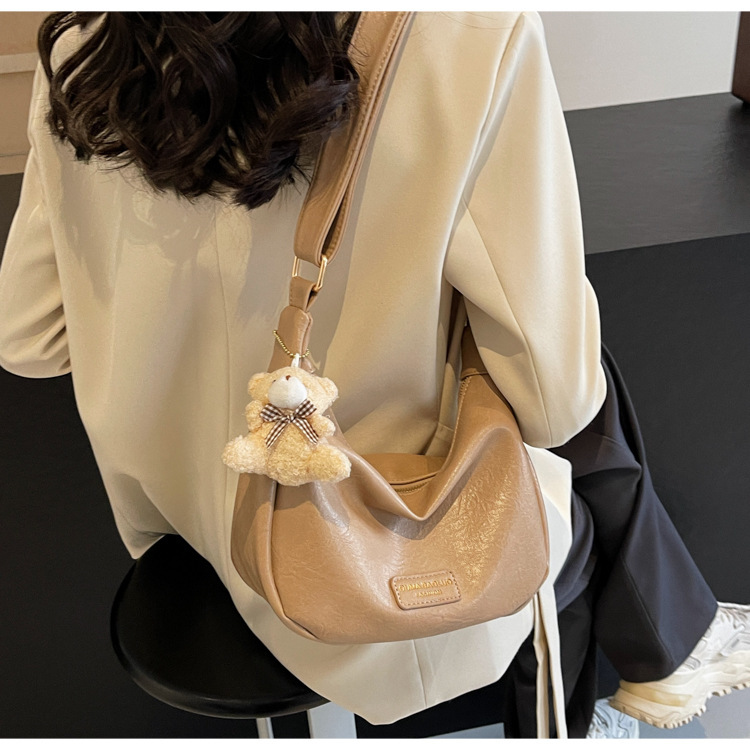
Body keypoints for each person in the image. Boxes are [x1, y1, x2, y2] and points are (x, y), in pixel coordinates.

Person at [0, 11, 747, 738]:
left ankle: (680, 641)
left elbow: (29, 338)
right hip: (372, 550)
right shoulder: (470, 32)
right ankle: (654, 657)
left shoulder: (86, 41)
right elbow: (556, 405)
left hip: (183, 523)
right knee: (569, 462)